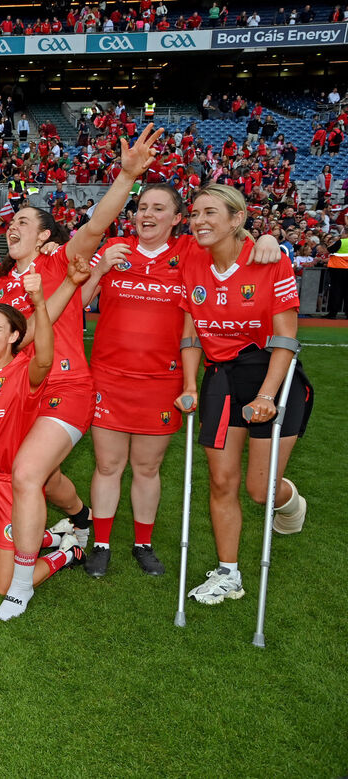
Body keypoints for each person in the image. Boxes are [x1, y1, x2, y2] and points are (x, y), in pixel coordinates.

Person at [0, 123, 164, 620]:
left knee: (26, 474)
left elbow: (94, 227)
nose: (13, 225)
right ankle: (81, 520)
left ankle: (22, 584)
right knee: (42, 477)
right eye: (11, 220)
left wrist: (127, 178)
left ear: (45, 234)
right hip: (16, 391)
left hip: (65, 386)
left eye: (24, 219)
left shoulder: (60, 261)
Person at [79, 183, 280, 577]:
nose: (147, 215)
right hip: (109, 375)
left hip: (162, 380)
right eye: (141, 208)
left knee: (147, 468)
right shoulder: (114, 249)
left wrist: (266, 236)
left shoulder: (190, 251)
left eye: (158, 208)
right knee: (107, 465)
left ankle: (142, 543)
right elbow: (79, 302)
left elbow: (232, 237)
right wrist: (100, 268)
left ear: (176, 219)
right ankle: (100, 542)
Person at [177, 184, 312, 605]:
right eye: (195, 213)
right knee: (221, 481)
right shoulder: (191, 262)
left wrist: (268, 395)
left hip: (270, 373)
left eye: (210, 213)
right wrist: (188, 384)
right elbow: (190, 331)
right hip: (221, 377)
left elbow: (286, 339)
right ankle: (228, 573)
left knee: (260, 491)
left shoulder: (269, 262)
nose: (199, 221)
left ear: (237, 219)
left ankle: (291, 506)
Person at [0, 261, 92, 609]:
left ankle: (64, 555)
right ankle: (50, 535)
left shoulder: (23, 371)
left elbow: (45, 357)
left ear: (14, 336)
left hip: (10, 488)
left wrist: (39, 300)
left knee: (0, 584)